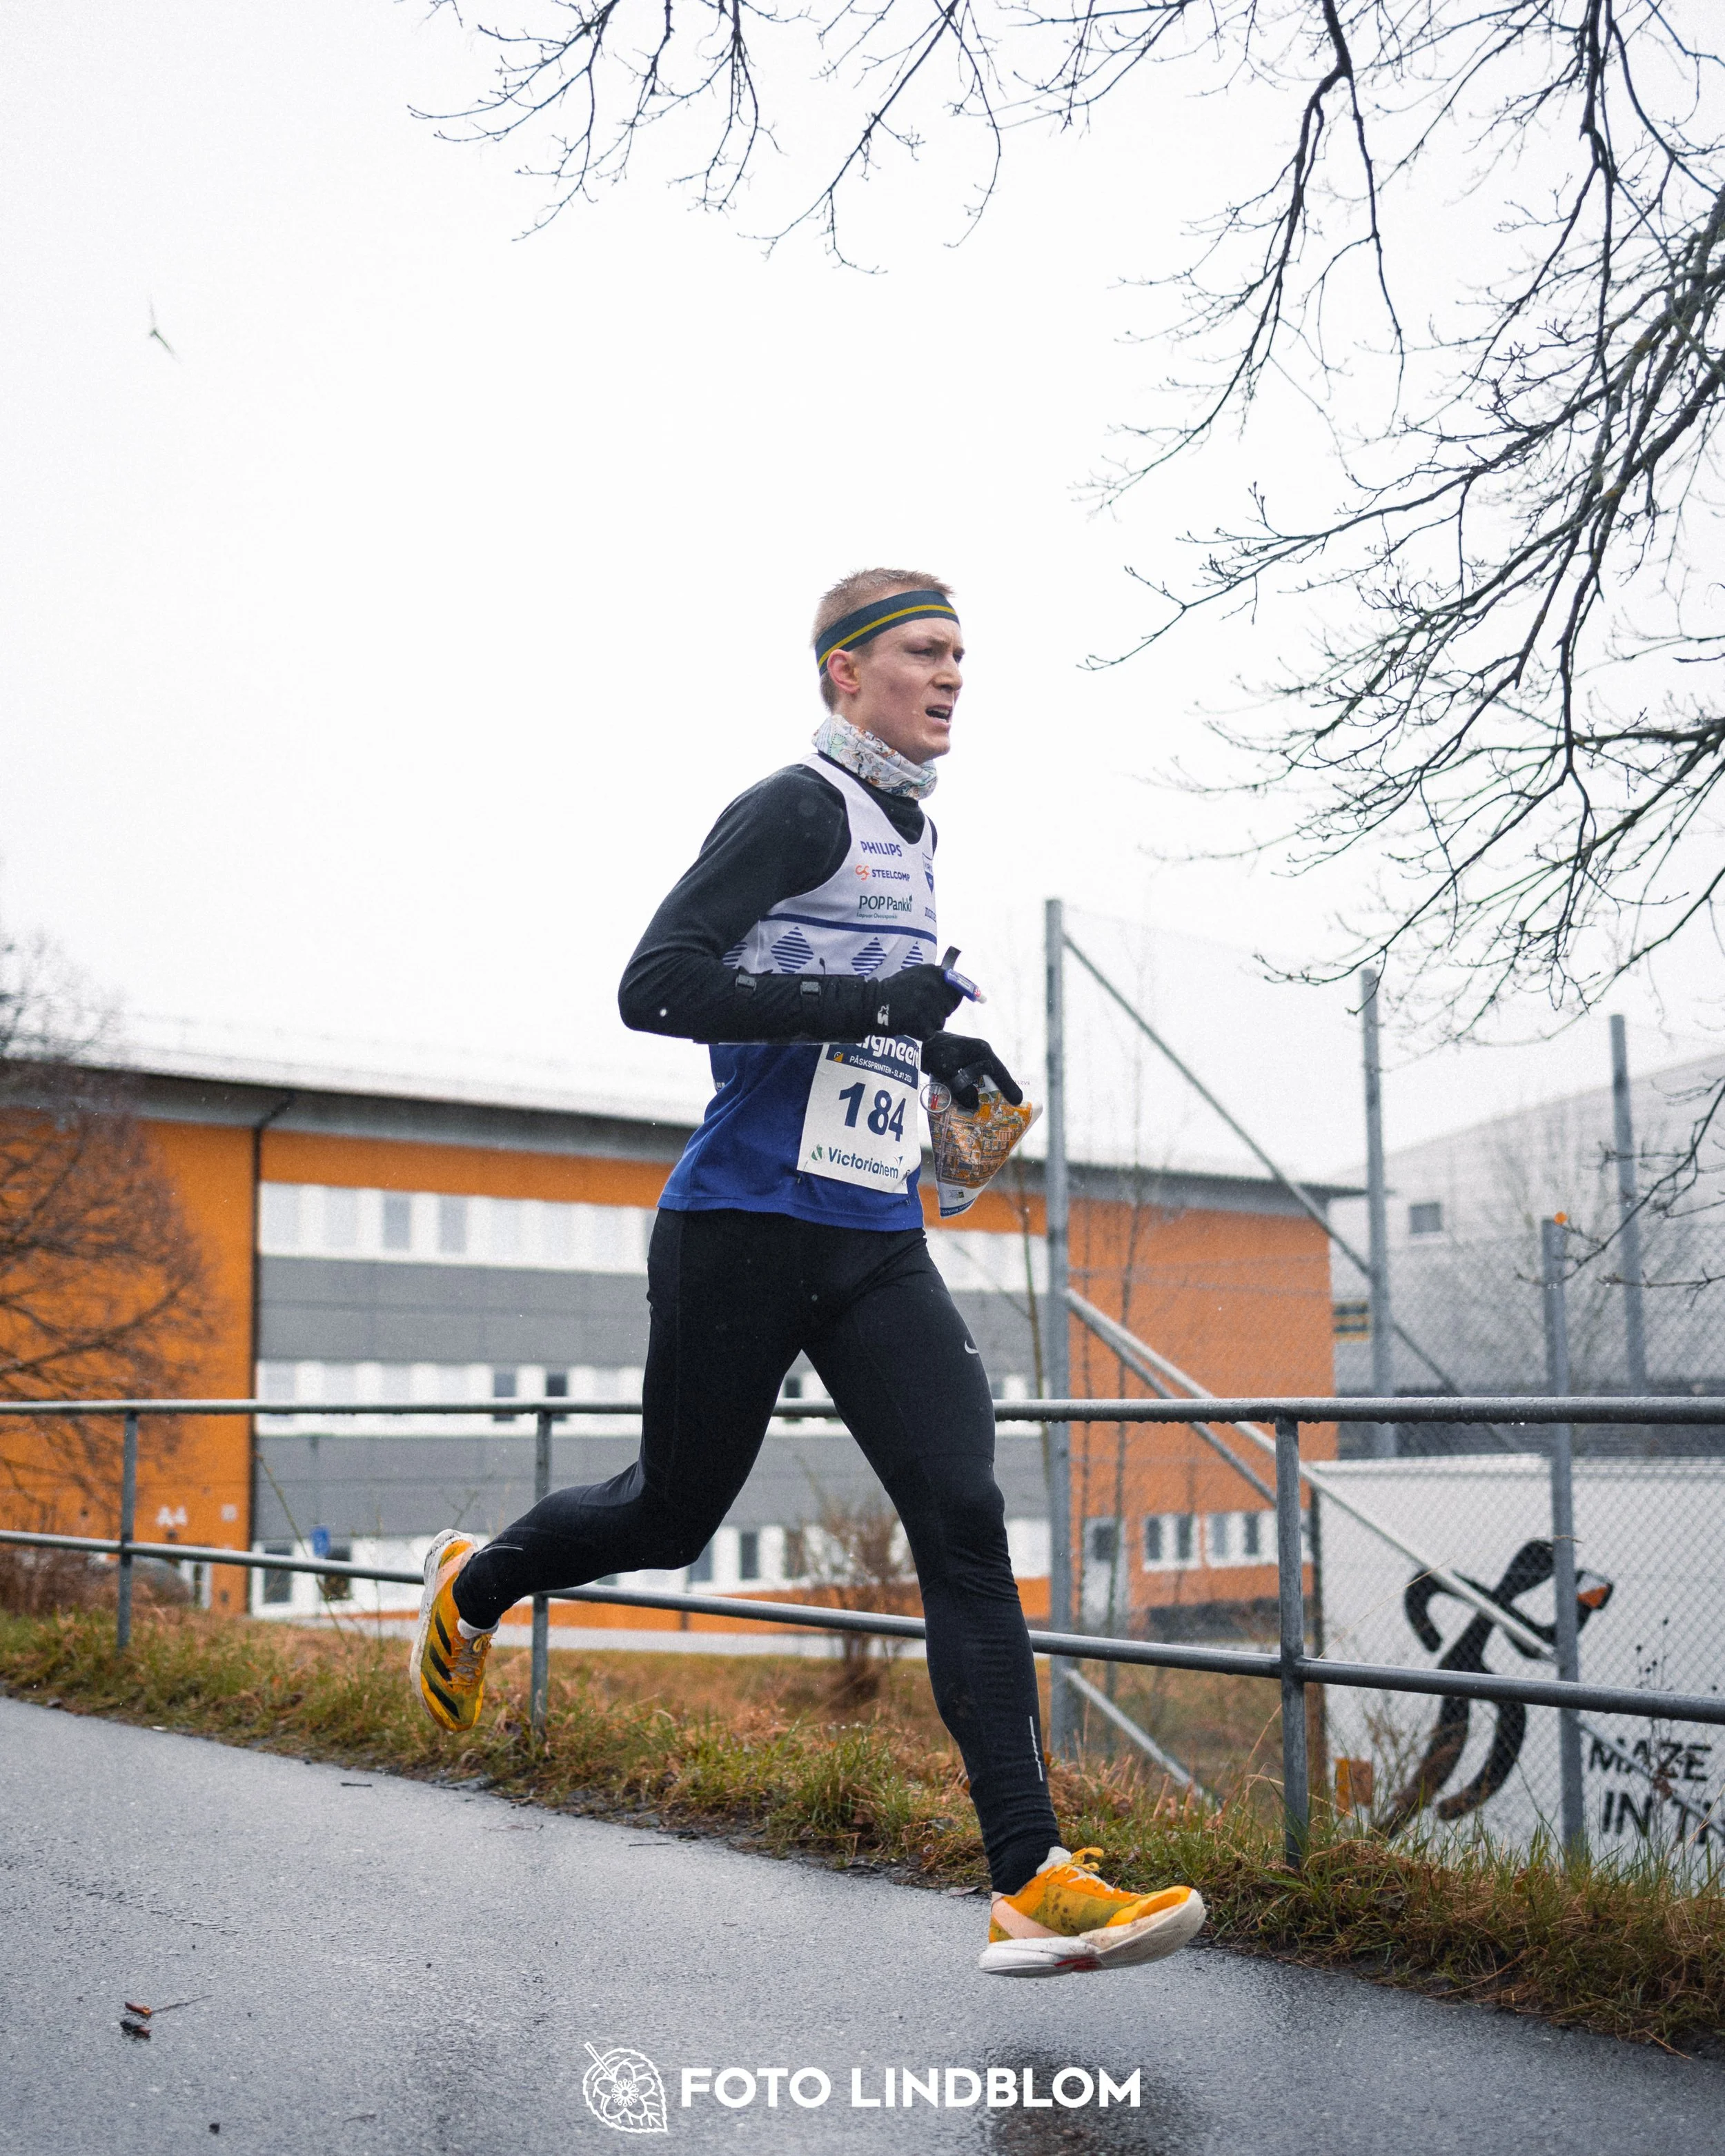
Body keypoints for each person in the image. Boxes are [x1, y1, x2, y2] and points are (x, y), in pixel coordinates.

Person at [409, 568, 1204, 1977]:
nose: (951, 675)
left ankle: (1030, 1877)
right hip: (738, 1225)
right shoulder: (793, 805)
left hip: (872, 1236)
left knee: (964, 1517)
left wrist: (936, 1048)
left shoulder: (915, 829)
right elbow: (658, 983)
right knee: (669, 1515)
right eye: (923, 652)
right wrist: (873, 998)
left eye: (961, 654)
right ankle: (478, 1586)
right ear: (845, 671)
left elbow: (855, 1013)